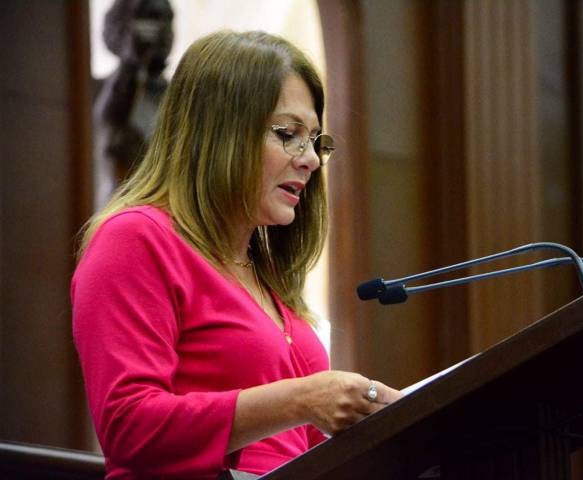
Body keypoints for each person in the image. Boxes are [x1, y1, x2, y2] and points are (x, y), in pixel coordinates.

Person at [72, 30, 403, 479]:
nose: (310, 159)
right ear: (218, 131)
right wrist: (303, 399)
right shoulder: (134, 238)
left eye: (314, 140)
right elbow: (129, 427)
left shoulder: (264, 273)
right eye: (288, 134)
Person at [93, 0, 174, 210]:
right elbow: (109, 124)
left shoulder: (177, 93)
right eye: (151, 19)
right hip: (119, 209)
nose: (163, 28)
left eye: (168, 20)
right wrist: (131, 62)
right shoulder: (103, 91)